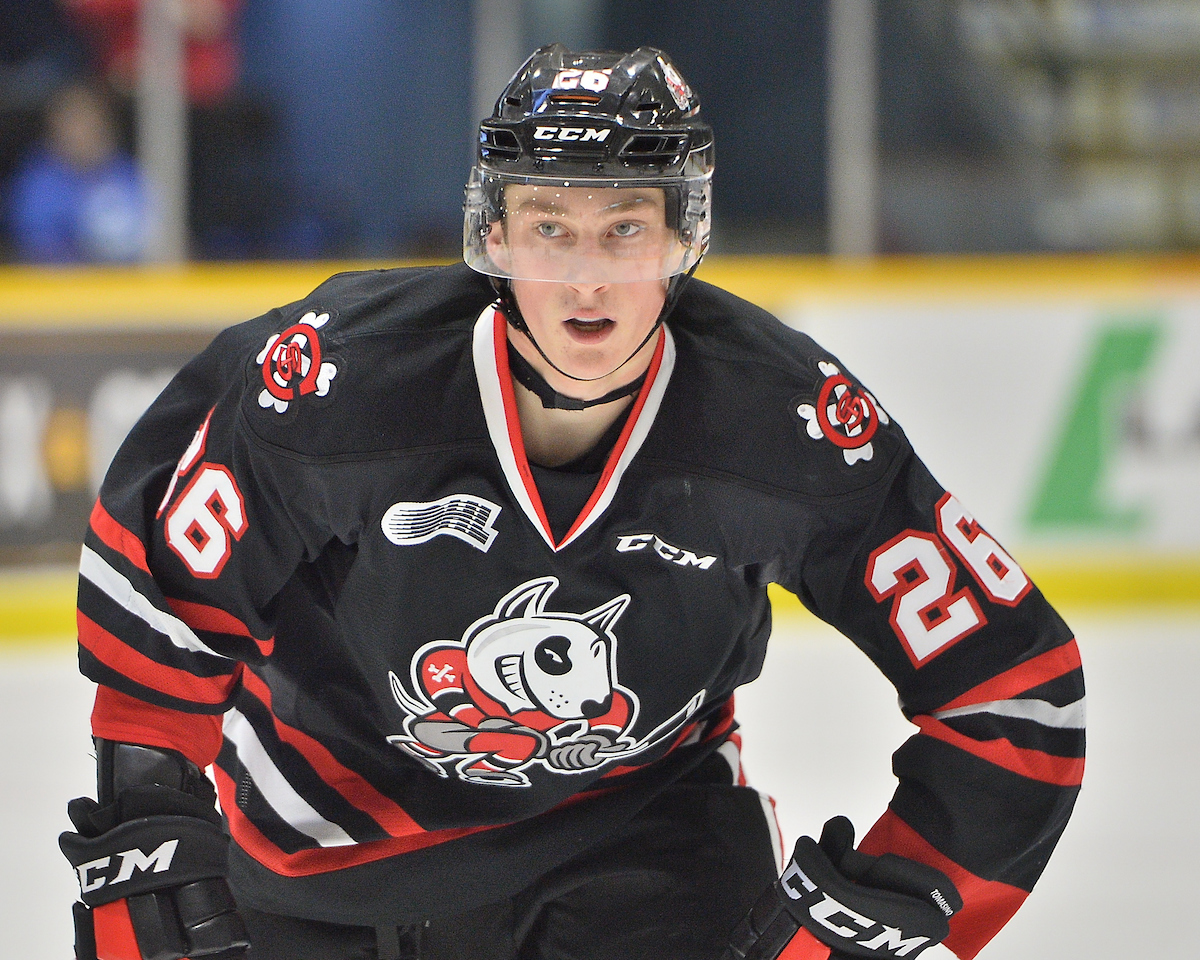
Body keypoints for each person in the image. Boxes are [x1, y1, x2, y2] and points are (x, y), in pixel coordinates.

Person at [58, 45, 1084, 960]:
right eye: (551, 227)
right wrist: (144, 819)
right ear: (494, 237)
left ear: (686, 237)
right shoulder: (341, 380)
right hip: (316, 846)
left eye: (625, 230)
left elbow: (1014, 689)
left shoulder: (787, 427)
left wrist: (905, 896)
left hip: (638, 849)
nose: (587, 279)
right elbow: (168, 583)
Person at [5, 78, 149, 263]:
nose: (81, 131)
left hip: (130, 283)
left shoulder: (127, 172)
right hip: (62, 286)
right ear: (55, 128)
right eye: (73, 122)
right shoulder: (37, 182)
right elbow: (35, 247)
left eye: (89, 121)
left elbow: (158, 233)